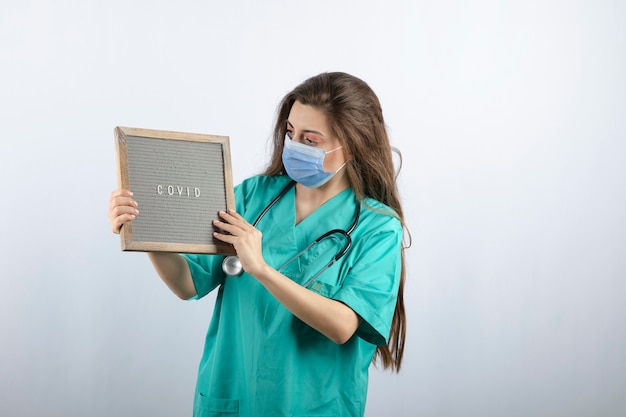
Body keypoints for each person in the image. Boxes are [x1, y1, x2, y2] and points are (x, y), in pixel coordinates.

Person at [108, 72, 408, 417]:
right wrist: (146, 229)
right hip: (232, 398)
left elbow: (343, 326)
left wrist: (261, 268)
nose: (294, 146)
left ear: (352, 145)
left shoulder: (378, 226)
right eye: (291, 133)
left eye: (310, 140)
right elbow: (187, 283)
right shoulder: (253, 196)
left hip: (314, 406)